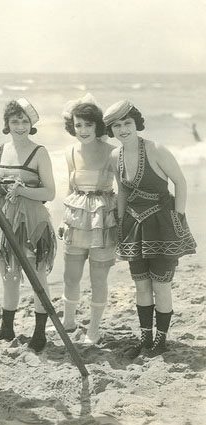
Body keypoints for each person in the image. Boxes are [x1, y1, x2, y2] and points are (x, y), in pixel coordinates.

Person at [104, 100, 196, 358]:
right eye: (117, 126)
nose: (123, 130)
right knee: (141, 285)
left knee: (161, 285)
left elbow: (180, 183)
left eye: (127, 124)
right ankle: (145, 338)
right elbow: (122, 191)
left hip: (162, 224)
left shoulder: (156, 149)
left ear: (136, 124)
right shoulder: (115, 155)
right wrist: (121, 223)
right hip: (134, 225)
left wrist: (178, 217)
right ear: (111, 130)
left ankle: (161, 340)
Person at [0, 98, 56, 353]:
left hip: (31, 221)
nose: (20, 126)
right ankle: (7, 328)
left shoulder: (40, 152)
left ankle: (39, 333)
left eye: (25, 121)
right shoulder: (1, 150)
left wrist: (23, 190)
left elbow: (50, 192)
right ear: (7, 124)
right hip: (2, 220)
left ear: (31, 124)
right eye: (15, 121)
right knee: (9, 276)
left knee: (37, 276)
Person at [58, 94, 117, 344]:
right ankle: (68, 322)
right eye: (78, 125)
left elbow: (121, 190)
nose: (83, 130)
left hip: (102, 219)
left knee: (98, 278)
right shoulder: (70, 152)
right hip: (75, 218)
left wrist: (121, 221)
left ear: (97, 125)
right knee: (70, 276)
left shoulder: (113, 152)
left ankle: (93, 329)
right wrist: (63, 220)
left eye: (88, 124)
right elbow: (70, 189)